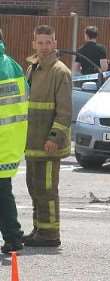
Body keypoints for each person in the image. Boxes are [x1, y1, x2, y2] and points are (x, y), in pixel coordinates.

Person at [23, 25, 72, 247]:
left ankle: (51, 234)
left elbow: (65, 111)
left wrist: (54, 137)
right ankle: (39, 229)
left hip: (49, 144)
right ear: (34, 43)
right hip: (32, 142)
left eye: (48, 42)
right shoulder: (33, 68)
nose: (44, 47)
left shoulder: (60, 72)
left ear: (54, 43)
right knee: (34, 187)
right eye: (40, 42)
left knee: (47, 190)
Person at [0, 29, 28, 254]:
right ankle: (13, 237)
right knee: (3, 191)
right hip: (10, 140)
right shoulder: (13, 64)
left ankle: (13, 237)